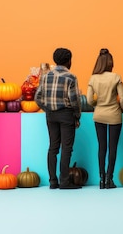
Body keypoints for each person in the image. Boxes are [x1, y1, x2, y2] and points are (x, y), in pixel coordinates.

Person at [35, 48, 82, 190]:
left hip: (50, 115)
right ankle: (65, 182)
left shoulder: (45, 76)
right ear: (69, 61)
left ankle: (52, 181)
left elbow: (37, 97)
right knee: (66, 148)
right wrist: (77, 116)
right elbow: (75, 100)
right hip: (66, 115)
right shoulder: (71, 77)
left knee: (53, 147)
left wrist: (47, 108)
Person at [86, 48, 123, 189]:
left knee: (101, 147)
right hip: (114, 114)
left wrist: (98, 104)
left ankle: (101, 179)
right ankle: (110, 179)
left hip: (99, 114)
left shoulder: (93, 78)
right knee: (112, 147)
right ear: (111, 63)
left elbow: (89, 100)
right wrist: (121, 107)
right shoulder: (116, 77)